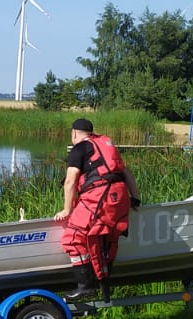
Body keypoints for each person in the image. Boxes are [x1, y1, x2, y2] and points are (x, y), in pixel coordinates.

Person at [56, 117, 139, 300]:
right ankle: (104, 285)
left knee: (72, 238)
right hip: (120, 197)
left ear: (74, 133)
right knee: (106, 240)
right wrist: (135, 198)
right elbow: (126, 172)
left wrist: (66, 210)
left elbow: (70, 181)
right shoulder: (105, 146)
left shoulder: (79, 149)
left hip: (100, 197)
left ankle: (85, 286)